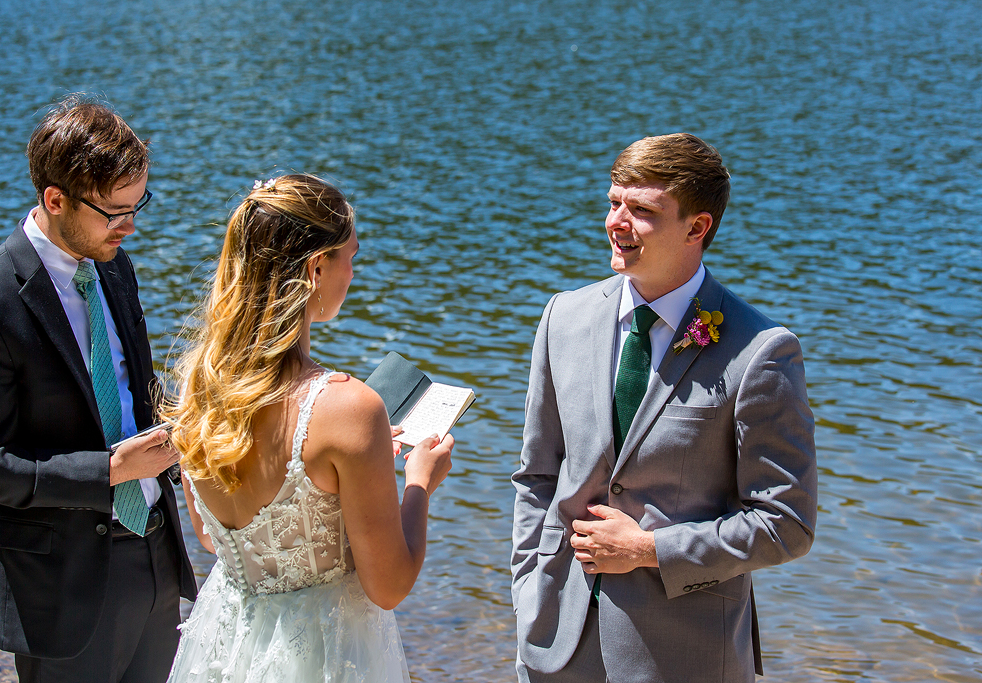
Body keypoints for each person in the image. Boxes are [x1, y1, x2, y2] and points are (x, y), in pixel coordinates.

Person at [510, 133, 817, 683]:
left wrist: (650, 549)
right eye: (613, 203)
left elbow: (786, 524)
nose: (616, 223)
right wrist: (527, 588)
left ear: (698, 228)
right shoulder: (563, 316)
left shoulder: (762, 352)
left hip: (685, 656)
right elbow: (537, 475)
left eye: (642, 211)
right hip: (553, 640)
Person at [163, 174, 454, 682]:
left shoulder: (199, 390)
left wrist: (355, 474)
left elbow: (214, 537)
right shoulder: (349, 409)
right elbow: (388, 586)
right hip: (325, 654)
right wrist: (418, 483)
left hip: (228, 644)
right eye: (352, 258)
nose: (353, 275)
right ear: (317, 267)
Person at [0, 94, 197, 682]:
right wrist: (108, 471)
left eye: (138, 204)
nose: (130, 225)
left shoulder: (116, 264)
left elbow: (128, 387)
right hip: (59, 587)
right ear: (55, 199)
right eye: (114, 211)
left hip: (155, 552)